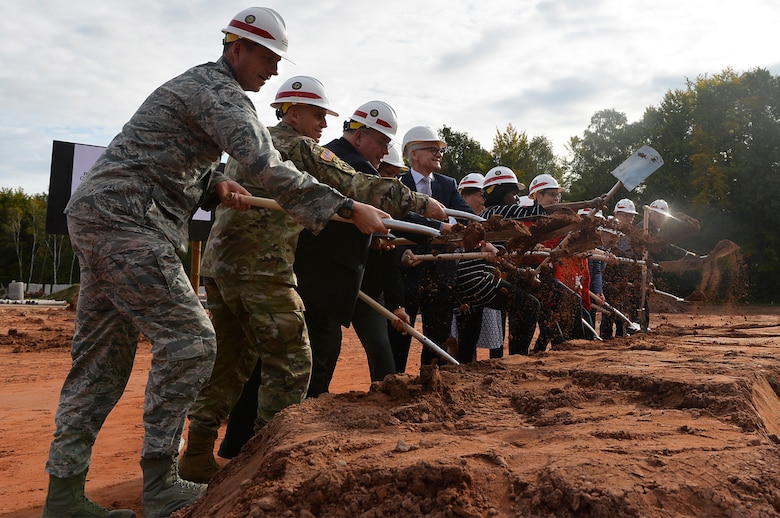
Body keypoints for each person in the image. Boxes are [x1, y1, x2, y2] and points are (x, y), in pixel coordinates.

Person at [40, 8, 393, 518]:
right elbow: (264, 165)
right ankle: (162, 482)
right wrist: (344, 207)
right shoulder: (220, 93)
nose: (272, 69)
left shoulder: (200, 89)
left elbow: (153, 152)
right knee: (192, 342)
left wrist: (211, 184)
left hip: (103, 216)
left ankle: (64, 494)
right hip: (129, 221)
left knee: (101, 361)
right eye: (267, 57)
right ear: (237, 49)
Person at [181, 82, 444, 480]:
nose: (324, 124)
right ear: (292, 112)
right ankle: (264, 468)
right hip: (262, 268)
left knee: (232, 362)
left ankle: (197, 454)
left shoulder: (253, 142)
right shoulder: (299, 147)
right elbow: (354, 182)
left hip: (221, 268)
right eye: (318, 114)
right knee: (291, 364)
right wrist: (421, 203)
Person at [294, 102, 448, 398]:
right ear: (361, 135)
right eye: (381, 142)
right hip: (322, 277)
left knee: (337, 351)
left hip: (342, 276)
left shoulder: (343, 156)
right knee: (320, 356)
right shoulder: (346, 161)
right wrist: (438, 229)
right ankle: (301, 424)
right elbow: (385, 207)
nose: (383, 151)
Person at [389, 126, 475, 373]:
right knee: (400, 336)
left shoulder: (448, 185)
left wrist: (460, 229)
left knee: (437, 337)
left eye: (440, 150)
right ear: (413, 154)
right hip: (407, 272)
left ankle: (430, 387)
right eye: (432, 149)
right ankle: (394, 385)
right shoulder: (396, 185)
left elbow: (466, 216)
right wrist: (442, 228)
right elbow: (396, 223)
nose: (439, 153)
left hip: (442, 275)